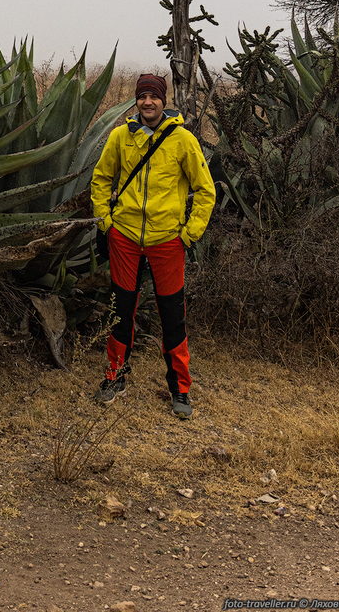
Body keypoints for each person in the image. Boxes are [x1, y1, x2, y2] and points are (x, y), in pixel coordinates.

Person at [90, 72, 215, 419]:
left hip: (167, 240)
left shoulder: (183, 140)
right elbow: (101, 179)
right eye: (142, 96)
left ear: (164, 100)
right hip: (125, 237)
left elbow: (206, 190)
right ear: (136, 100)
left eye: (154, 97)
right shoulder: (119, 137)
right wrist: (106, 221)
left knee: (173, 315)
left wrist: (189, 233)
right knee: (121, 310)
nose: (148, 102)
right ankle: (115, 376)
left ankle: (180, 388)